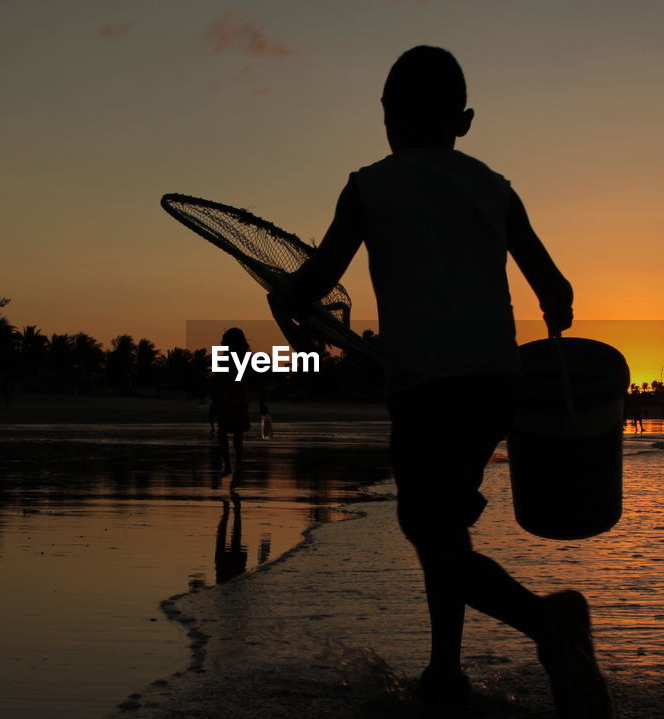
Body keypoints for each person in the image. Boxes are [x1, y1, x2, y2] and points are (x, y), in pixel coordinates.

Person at [279, 46, 615, 718]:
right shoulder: (496, 187)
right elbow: (557, 288)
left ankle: (546, 621)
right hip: (497, 385)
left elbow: (315, 283)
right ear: (462, 121)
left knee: (425, 524)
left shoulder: (368, 186)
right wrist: (553, 307)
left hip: (426, 386)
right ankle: (444, 672)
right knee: (443, 523)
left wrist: (282, 295)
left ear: (386, 117)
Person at [208, 327, 268, 478]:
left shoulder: (231, 359)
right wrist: (262, 402)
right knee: (236, 437)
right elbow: (260, 382)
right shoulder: (244, 359)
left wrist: (214, 401)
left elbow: (217, 382)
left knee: (226, 434)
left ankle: (229, 466)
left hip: (230, 399)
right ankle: (234, 467)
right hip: (236, 399)